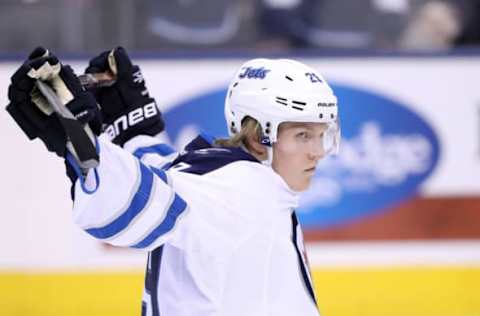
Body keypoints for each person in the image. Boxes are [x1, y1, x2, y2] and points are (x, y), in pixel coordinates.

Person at [6, 46, 340, 316]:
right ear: (258, 131)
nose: (317, 152)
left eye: (321, 136)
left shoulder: (219, 178)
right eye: (302, 135)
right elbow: (131, 201)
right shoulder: (244, 194)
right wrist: (81, 143)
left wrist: (136, 133)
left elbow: (166, 178)